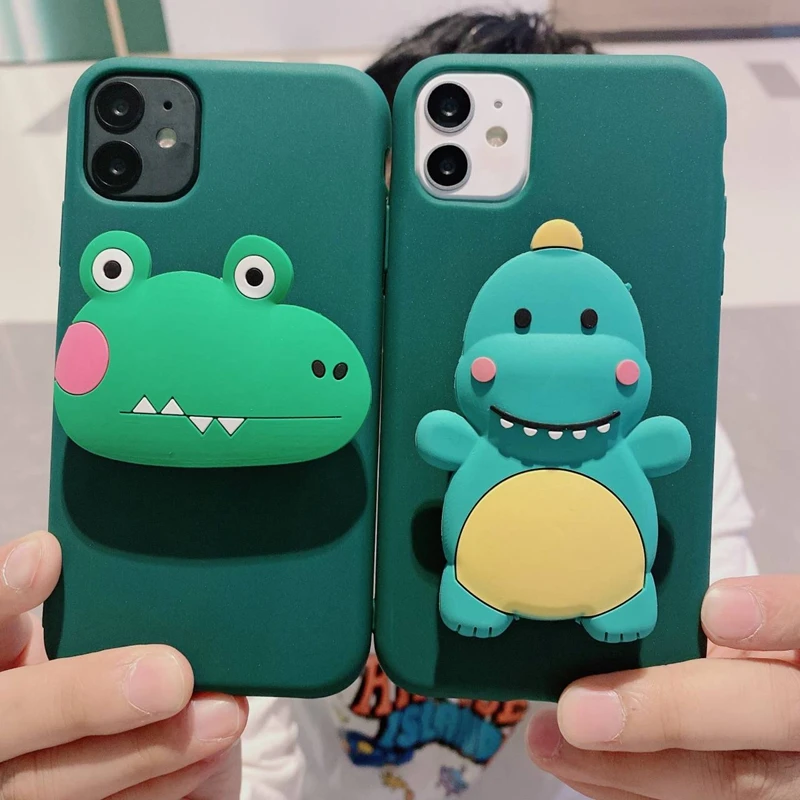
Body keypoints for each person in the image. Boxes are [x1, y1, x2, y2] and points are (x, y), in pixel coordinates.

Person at [0, 12, 790, 800]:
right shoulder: (298, 445)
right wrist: (188, 774)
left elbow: (690, 685)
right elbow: (252, 748)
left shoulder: (679, 458)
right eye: (384, 248)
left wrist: (733, 755)